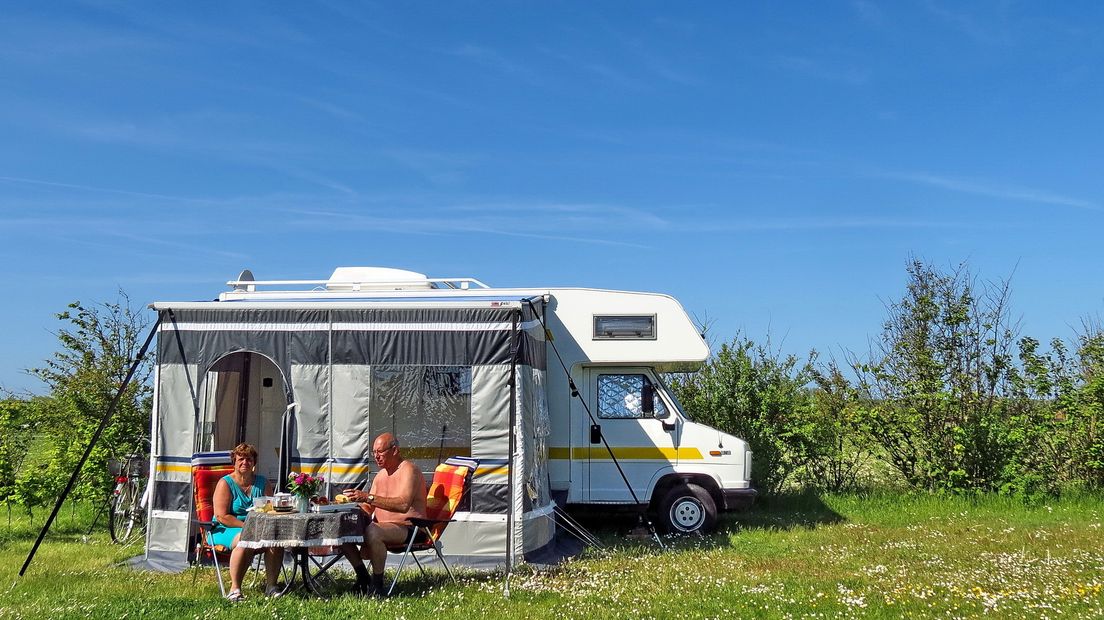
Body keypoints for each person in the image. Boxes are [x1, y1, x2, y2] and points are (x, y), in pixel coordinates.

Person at [342, 432, 427, 596]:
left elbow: (403, 504)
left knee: (373, 531)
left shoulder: (409, 470)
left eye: (380, 452)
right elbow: (368, 507)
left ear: (394, 450)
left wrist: (368, 496)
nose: (376, 457)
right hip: (384, 528)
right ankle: (363, 577)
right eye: (374, 453)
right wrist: (349, 507)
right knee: (341, 529)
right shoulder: (380, 476)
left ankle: (377, 585)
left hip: (412, 528)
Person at [211, 442, 284, 602]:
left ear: (254, 463)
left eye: (249, 459)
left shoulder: (262, 482)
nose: (245, 462)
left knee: (275, 541)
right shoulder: (225, 483)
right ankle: (235, 589)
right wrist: (248, 527)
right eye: (241, 459)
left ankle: (271, 586)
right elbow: (222, 516)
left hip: (258, 527)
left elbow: (270, 508)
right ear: (234, 462)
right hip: (227, 528)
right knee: (245, 540)